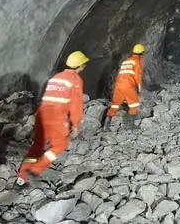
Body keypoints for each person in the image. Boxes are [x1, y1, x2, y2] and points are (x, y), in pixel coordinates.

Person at [16, 51, 89, 186]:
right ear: (81, 65)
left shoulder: (56, 77)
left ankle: (22, 177)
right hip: (56, 117)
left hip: (41, 115)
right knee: (60, 145)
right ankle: (36, 170)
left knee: (37, 145)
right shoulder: (75, 80)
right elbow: (76, 105)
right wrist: (76, 125)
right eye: (84, 64)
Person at [103, 44, 145, 131]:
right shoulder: (137, 61)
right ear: (141, 53)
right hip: (128, 85)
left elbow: (122, 74)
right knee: (134, 104)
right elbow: (138, 76)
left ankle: (105, 126)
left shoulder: (126, 61)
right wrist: (139, 89)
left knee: (115, 105)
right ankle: (130, 125)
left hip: (118, 85)